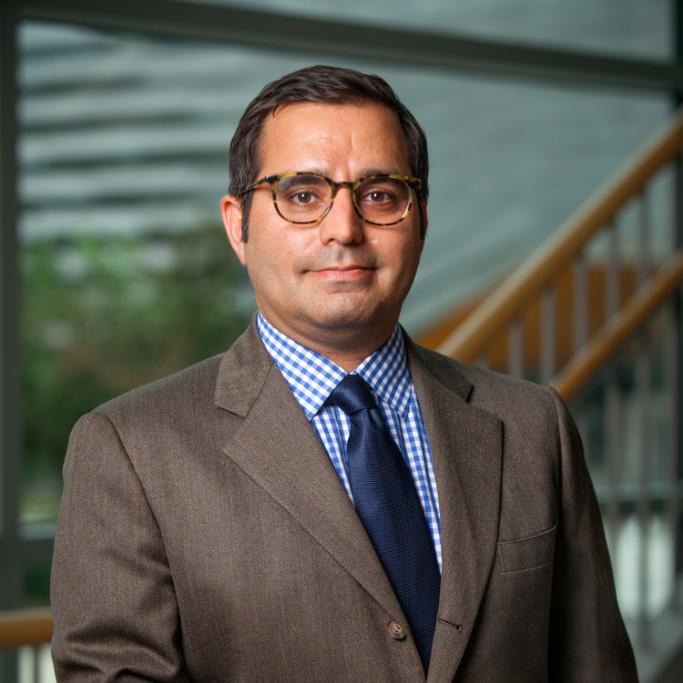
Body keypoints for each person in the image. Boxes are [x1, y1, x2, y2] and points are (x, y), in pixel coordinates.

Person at [51, 65, 637, 682]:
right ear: (237, 225)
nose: (344, 229)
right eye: (302, 195)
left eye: (380, 195)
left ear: (421, 217)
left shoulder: (533, 426)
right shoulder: (130, 449)